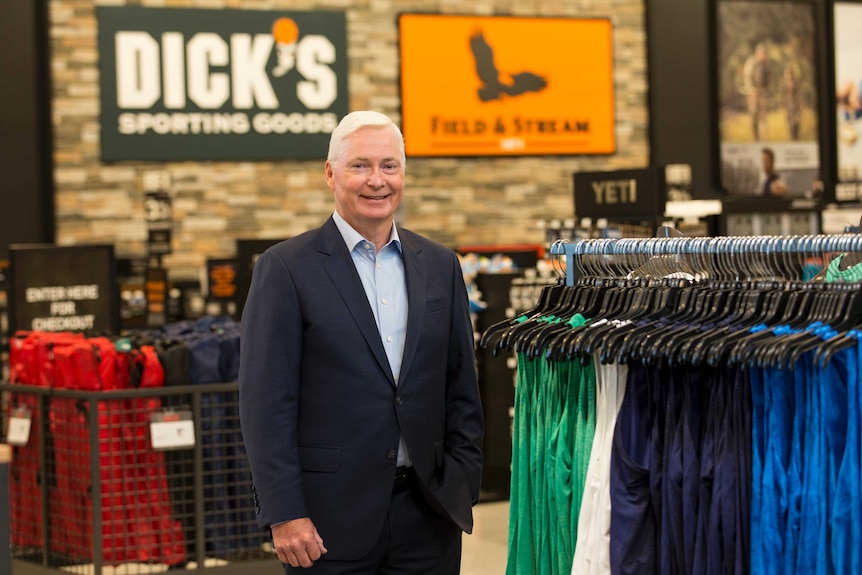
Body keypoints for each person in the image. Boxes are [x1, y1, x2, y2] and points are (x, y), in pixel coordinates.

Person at [238, 110, 484, 573]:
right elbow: (265, 404)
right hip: (326, 524)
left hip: (430, 517)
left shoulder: (439, 264)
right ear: (331, 174)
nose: (377, 181)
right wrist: (284, 513)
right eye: (360, 166)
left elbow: (461, 388)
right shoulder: (286, 268)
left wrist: (462, 482)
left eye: (389, 166)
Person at [743, 42, 770, 141]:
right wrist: (750, 89)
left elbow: (768, 78)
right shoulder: (751, 62)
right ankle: (756, 138)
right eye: (763, 53)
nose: (764, 55)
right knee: (754, 115)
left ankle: (764, 138)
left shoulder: (765, 64)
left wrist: (767, 90)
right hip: (753, 93)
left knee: (763, 115)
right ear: (758, 53)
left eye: (765, 53)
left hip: (763, 92)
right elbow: (747, 77)